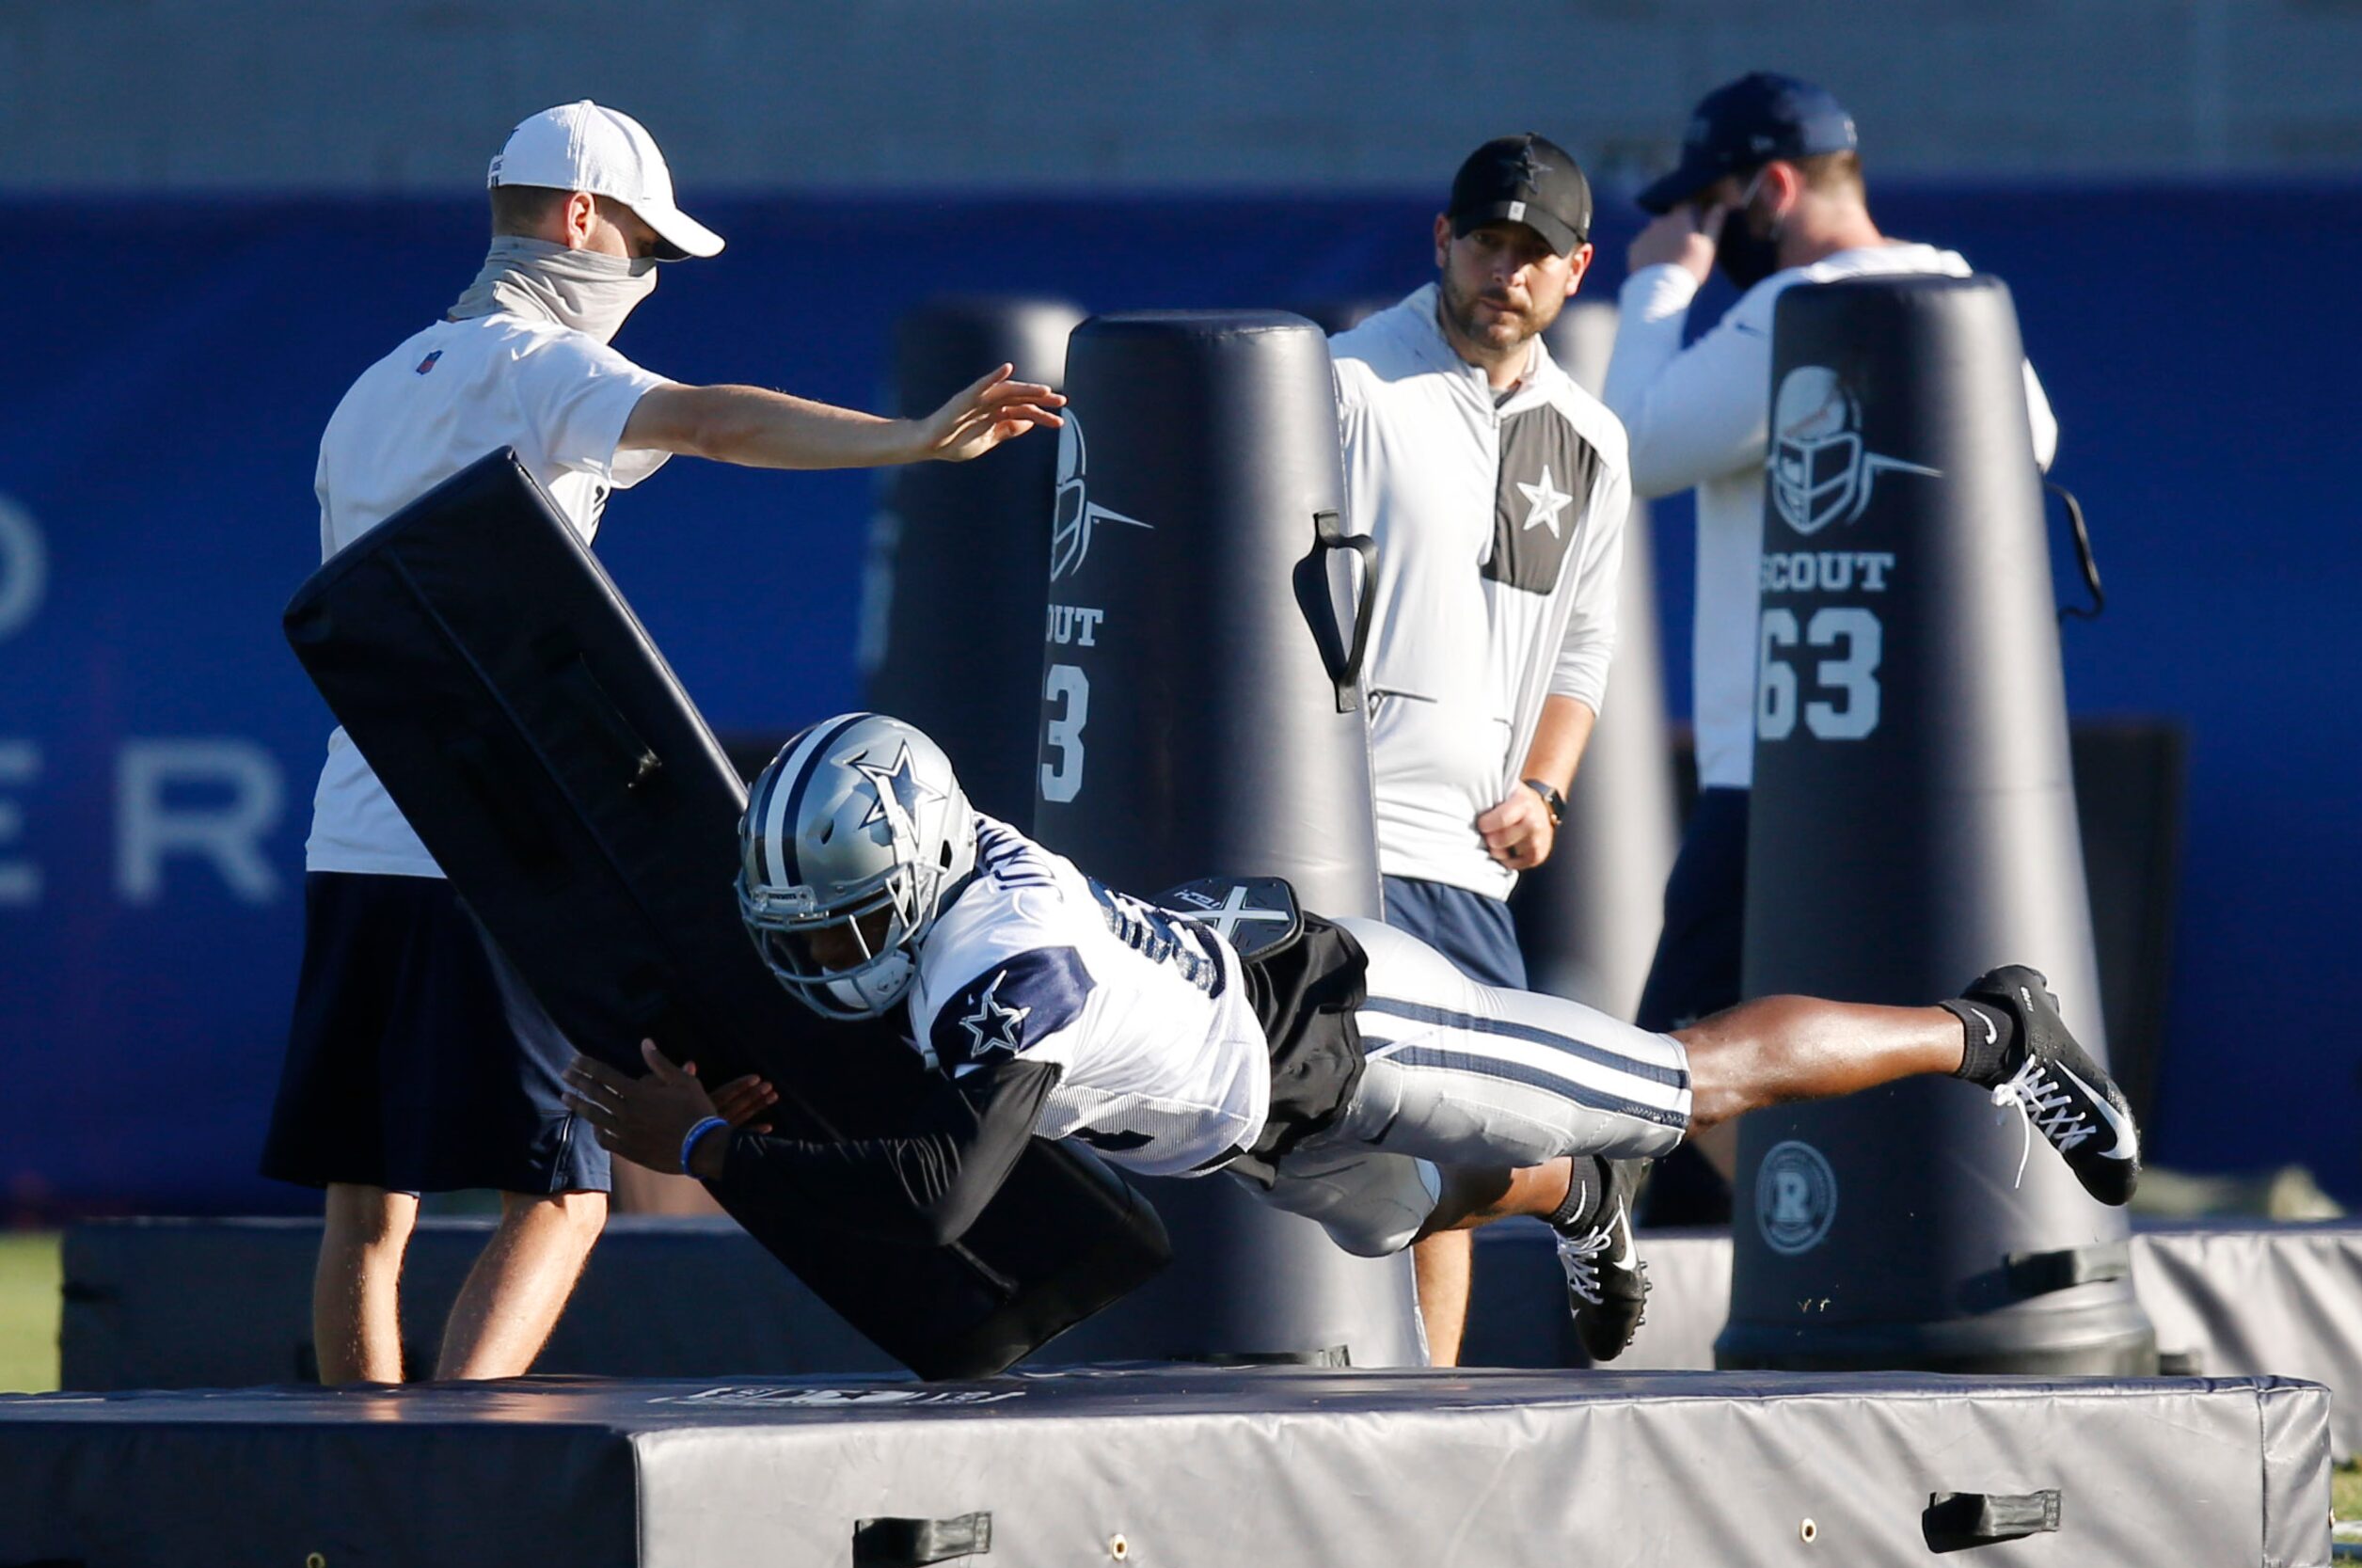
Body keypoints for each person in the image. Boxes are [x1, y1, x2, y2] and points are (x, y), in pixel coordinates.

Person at [261, 103, 1062, 1386]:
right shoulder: (540, 365)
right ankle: (461, 1482)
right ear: (576, 217)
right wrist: (912, 438)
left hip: (355, 829)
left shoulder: (373, 390)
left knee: (368, 1213)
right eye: (639, 242)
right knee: (568, 1194)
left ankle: (366, 1495)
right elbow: (714, 420)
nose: (643, 277)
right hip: (500, 853)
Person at [561, 713, 2139, 1365]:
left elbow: (931, 1199)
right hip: (1235, 1110)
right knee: (1410, 1205)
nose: (825, 961)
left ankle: (1990, 1027)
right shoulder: (944, 874)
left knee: (1675, 1081)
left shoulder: (1000, 963)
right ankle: (1568, 1203)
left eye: (838, 928)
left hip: (1343, 1024)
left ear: (905, 881)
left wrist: (702, 1141)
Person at [1601, 73, 2059, 1219]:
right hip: (1933, 769)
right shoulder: (1961, 295)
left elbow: (1631, 451)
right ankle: (1832, 1247)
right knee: (1876, 1035)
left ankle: (1813, 1246)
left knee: (1666, 1062)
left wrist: (1663, 277)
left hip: (1777, 759)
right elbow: (2034, 447)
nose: (1697, 225)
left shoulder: (1793, 307)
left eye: (1708, 203)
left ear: (1772, 186)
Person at [1327, 135, 1634, 1364]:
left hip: (1466, 858)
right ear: (1440, 241)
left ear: (1575, 272)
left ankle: (1425, 1392)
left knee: (1453, 1139)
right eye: (1487, 241)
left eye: (1534, 252)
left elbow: (1582, 650)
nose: (1506, 270)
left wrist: (1543, 789)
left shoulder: (1590, 438)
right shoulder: (1345, 384)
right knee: (1329, 1135)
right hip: (1333, 827)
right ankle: (1572, 1196)